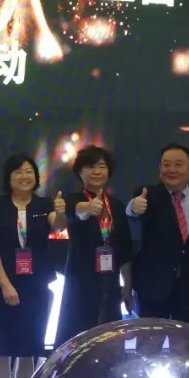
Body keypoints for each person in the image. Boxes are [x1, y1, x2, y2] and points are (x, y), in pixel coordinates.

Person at [0, 152, 65, 378]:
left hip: (36, 286)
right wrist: (5, 284)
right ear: (9, 177)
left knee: (29, 350)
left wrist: (61, 211)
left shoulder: (44, 204)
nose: (24, 176)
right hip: (4, 285)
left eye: (29, 171)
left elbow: (58, 226)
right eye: (18, 171)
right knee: (4, 349)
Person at [127, 143, 189, 326]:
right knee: (150, 338)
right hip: (153, 288)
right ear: (159, 168)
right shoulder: (147, 195)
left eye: (178, 164)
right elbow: (134, 212)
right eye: (166, 164)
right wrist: (133, 207)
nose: (171, 169)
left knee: (187, 340)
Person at [57, 145, 132, 348]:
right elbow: (77, 211)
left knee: (110, 341)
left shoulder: (116, 205)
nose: (97, 171)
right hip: (80, 282)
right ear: (80, 172)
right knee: (78, 339)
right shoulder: (72, 199)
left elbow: (125, 248)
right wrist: (89, 208)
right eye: (90, 167)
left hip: (110, 282)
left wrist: (128, 285)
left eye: (102, 166)